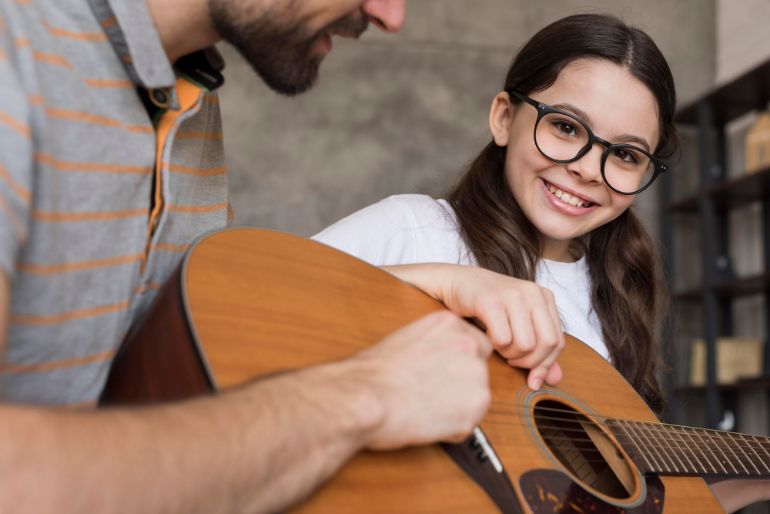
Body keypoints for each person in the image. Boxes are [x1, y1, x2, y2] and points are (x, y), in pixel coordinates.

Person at [0, 0, 566, 512]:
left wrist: (436, 281)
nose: (391, 17)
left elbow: (166, 350)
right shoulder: (15, 50)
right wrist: (363, 396)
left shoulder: (188, 92)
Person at [314, 13, 770, 513]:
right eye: (566, 127)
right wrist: (445, 279)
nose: (586, 169)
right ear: (505, 118)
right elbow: (233, 303)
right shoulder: (413, 228)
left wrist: (752, 485)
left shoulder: (613, 299)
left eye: (624, 155)